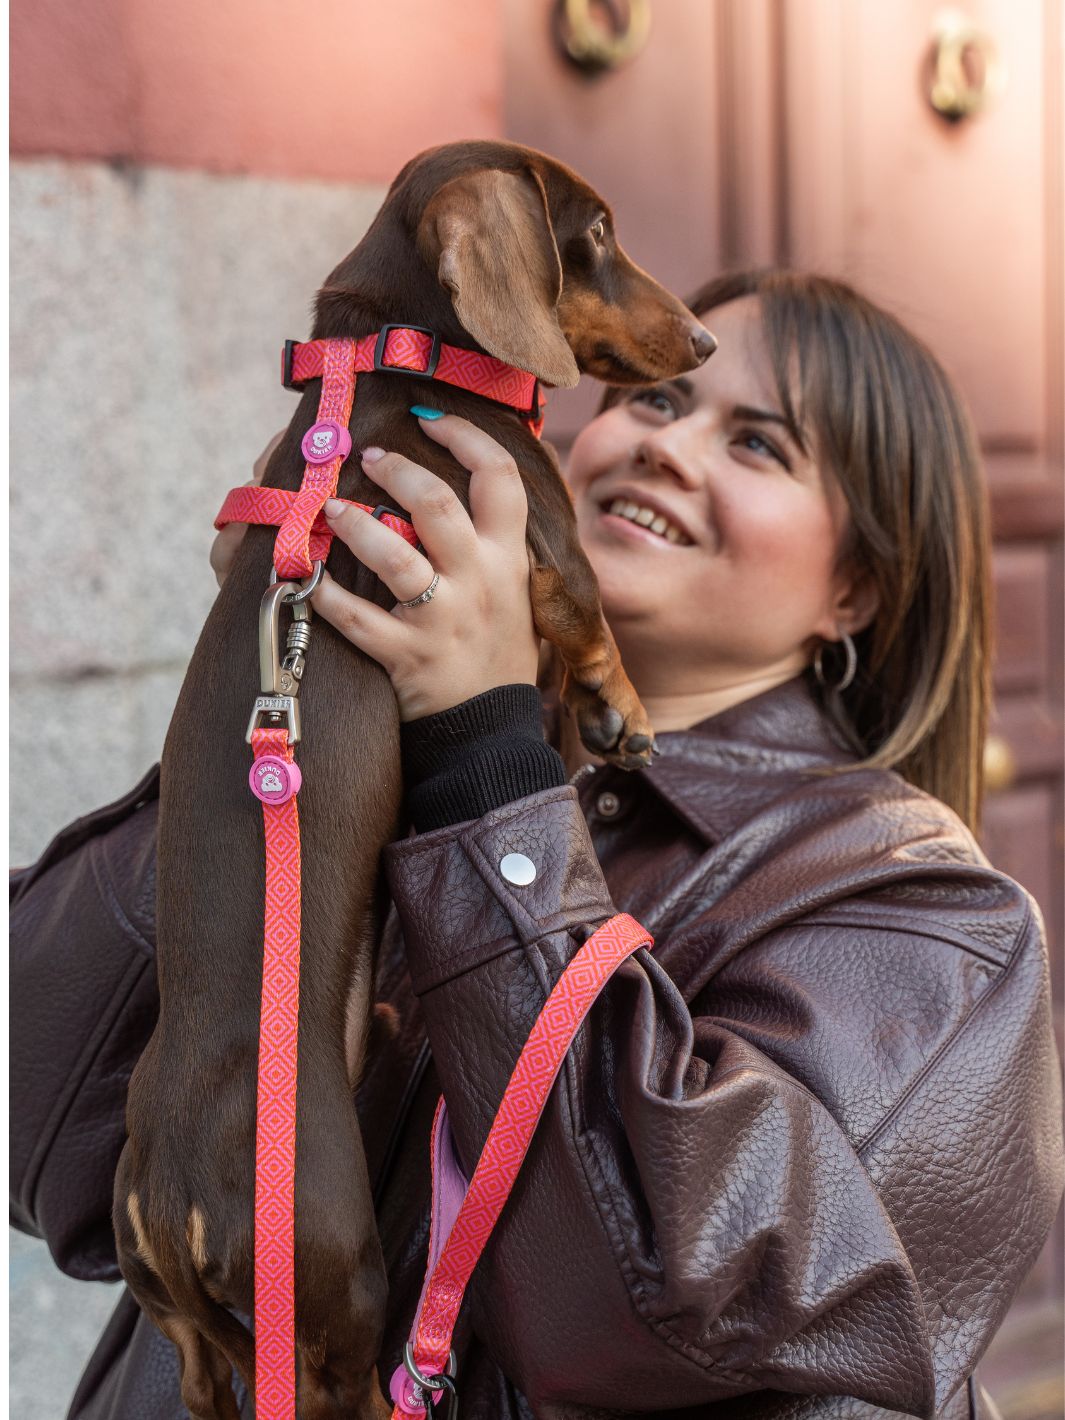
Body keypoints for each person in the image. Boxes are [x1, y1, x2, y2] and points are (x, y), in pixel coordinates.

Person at [10, 270, 1063, 1419]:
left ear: (855, 590)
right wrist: (277, 689)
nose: (667, 445)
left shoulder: (929, 919)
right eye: (654, 401)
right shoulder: (375, 748)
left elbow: (659, 1310)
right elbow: (45, 1128)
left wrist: (487, 757)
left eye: (758, 445)